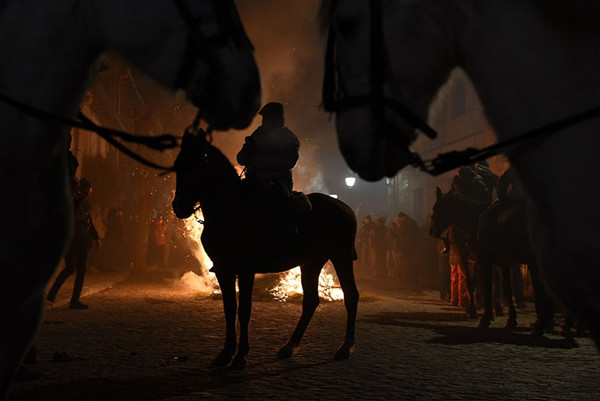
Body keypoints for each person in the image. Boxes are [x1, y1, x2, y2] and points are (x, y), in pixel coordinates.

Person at [237, 102, 300, 235]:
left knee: (281, 203)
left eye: (268, 118)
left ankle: (289, 234)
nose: (265, 122)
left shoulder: (289, 138)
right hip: (254, 179)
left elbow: (288, 162)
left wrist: (259, 163)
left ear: (277, 119)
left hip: (279, 181)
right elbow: (241, 159)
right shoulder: (258, 134)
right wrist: (246, 152)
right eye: (264, 118)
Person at [47, 178, 100, 309]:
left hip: (83, 241)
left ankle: (74, 300)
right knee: (70, 268)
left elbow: (90, 222)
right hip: (71, 240)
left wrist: (96, 237)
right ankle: (50, 296)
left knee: (81, 271)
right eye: (86, 192)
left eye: (89, 193)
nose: (88, 195)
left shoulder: (86, 205)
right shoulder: (72, 202)